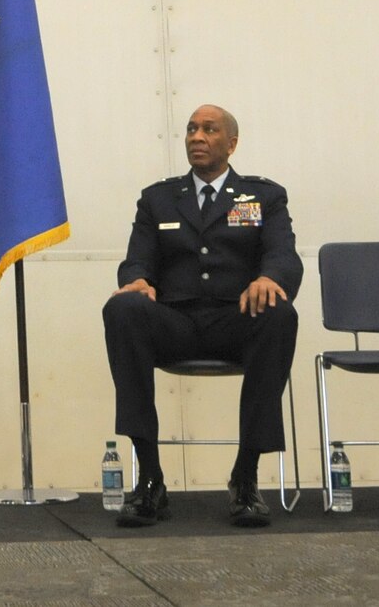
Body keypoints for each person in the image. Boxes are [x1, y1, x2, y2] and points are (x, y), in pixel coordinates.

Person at [102, 104, 301, 529]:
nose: (196, 136)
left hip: (235, 320)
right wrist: (137, 280)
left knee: (280, 313)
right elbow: (137, 260)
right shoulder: (158, 198)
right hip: (176, 323)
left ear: (231, 143)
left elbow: (283, 255)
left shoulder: (263, 196)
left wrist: (269, 278)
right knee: (122, 307)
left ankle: (245, 477)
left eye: (209, 130)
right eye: (192, 128)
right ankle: (150, 478)